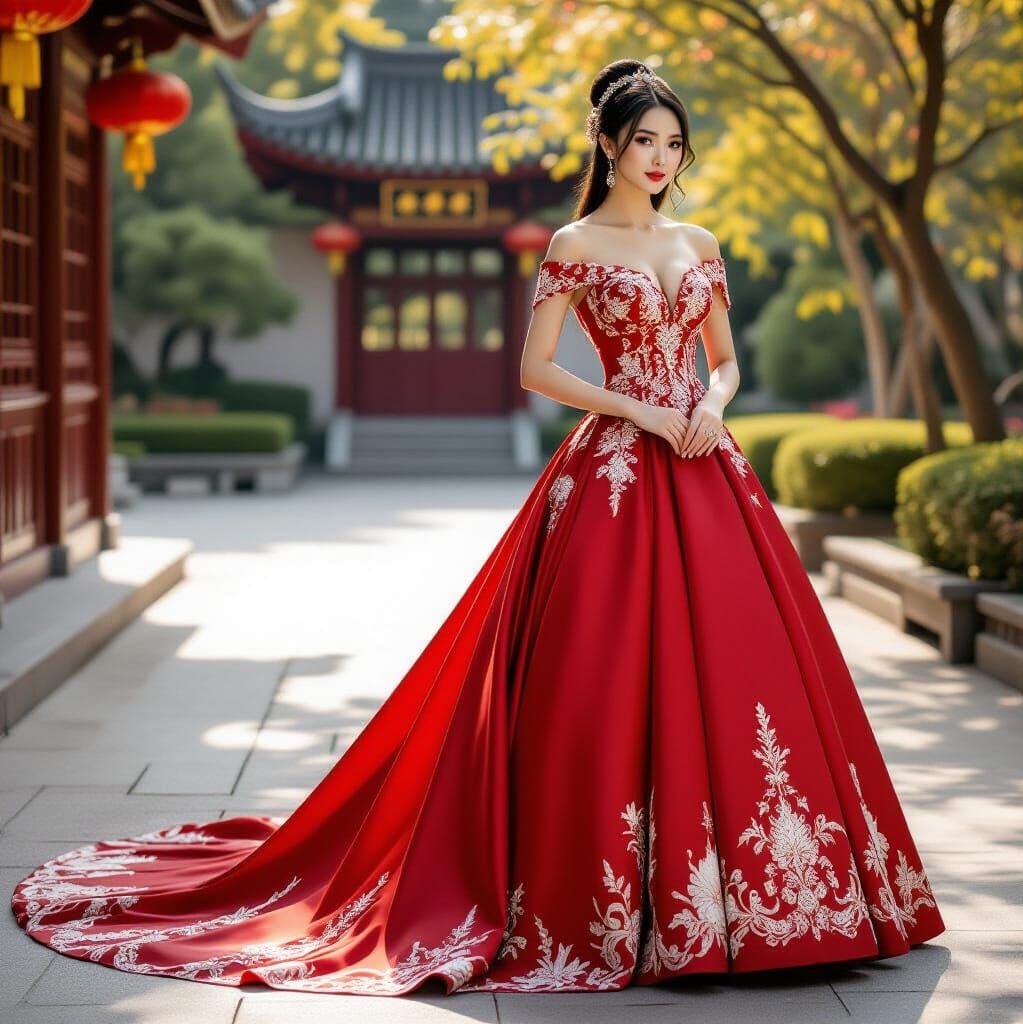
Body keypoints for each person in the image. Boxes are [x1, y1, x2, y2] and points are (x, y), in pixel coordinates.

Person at [11, 58, 945, 997]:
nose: (660, 158)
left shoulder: (699, 239)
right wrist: (642, 410)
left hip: (708, 464)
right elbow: (538, 370)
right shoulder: (575, 244)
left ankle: (779, 901)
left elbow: (728, 360)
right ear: (610, 145)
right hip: (617, 471)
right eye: (644, 141)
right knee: (604, 668)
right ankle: (615, 896)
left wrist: (711, 404)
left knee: (747, 665)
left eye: (672, 143)